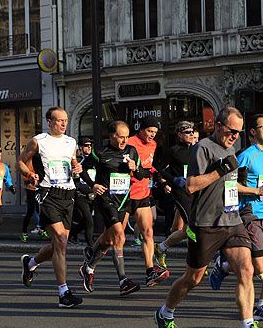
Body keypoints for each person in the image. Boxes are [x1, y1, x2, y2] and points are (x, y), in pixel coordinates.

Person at [153, 107, 263, 328]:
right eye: (231, 131)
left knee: (246, 268)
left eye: (238, 133)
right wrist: (220, 169)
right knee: (193, 279)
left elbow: (230, 184)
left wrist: (250, 189)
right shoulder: (203, 148)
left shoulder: (230, 148)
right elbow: (191, 186)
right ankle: (165, 313)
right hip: (207, 223)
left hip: (232, 219)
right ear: (218, 125)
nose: (234, 136)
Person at [210, 114, 263, 322]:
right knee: (259, 267)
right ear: (253, 132)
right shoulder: (246, 156)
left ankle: (262, 304)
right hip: (250, 212)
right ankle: (224, 265)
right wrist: (255, 191)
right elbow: (233, 185)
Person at [18, 107, 84, 308]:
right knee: (61, 240)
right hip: (48, 193)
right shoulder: (39, 141)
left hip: (68, 193)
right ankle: (63, 292)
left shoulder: (71, 142)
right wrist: (29, 175)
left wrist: (77, 167)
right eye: (59, 120)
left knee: (59, 244)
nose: (64, 124)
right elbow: (21, 161)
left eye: (65, 120)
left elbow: (72, 162)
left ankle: (30, 263)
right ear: (49, 121)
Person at [78, 121, 148, 296]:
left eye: (126, 136)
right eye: (121, 136)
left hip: (124, 200)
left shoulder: (131, 151)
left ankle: (89, 267)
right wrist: (93, 185)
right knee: (120, 236)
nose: (124, 140)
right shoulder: (100, 152)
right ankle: (123, 281)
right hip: (106, 199)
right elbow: (82, 169)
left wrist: (136, 168)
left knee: (110, 240)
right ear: (112, 136)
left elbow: (141, 175)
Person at [124, 116, 169, 287]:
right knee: (114, 237)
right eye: (150, 131)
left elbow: (151, 166)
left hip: (143, 193)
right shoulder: (129, 142)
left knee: (148, 232)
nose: (152, 135)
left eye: (155, 132)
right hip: (126, 194)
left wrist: (160, 178)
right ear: (141, 129)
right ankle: (90, 262)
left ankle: (150, 271)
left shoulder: (153, 145)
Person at [155, 122, 199, 268]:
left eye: (192, 132)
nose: (191, 135)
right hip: (180, 192)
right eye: (187, 132)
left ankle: (161, 247)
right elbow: (159, 169)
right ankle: (194, 261)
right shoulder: (173, 151)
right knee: (192, 226)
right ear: (179, 134)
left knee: (185, 228)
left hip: (195, 191)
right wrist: (172, 180)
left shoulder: (196, 149)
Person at [69, 138, 95, 248]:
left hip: (93, 194)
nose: (89, 147)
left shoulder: (95, 160)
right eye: (86, 145)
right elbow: (74, 177)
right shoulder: (77, 161)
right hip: (80, 195)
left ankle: (71, 234)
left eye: (90, 145)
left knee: (85, 222)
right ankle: (92, 246)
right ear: (80, 147)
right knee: (89, 221)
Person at [20, 161, 46, 243]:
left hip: (43, 189)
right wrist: (32, 178)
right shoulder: (29, 162)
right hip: (31, 189)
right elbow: (25, 179)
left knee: (43, 210)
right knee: (30, 211)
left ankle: (41, 229)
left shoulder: (44, 159)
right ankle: (24, 232)